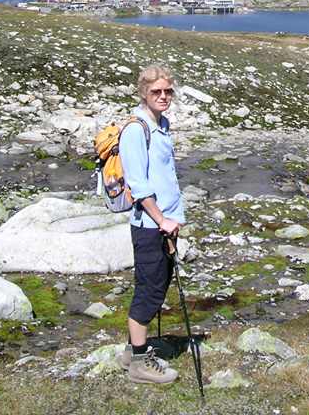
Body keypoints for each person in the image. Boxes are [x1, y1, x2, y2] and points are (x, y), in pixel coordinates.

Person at [114, 64, 184, 384]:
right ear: (143, 92)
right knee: (150, 290)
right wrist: (162, 220)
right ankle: (140, 364)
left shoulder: (161, 124)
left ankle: (132, 352)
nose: (163, 96)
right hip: (151, 224)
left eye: (168, 91)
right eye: (156, 91)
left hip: (165, 222)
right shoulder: (135, 129)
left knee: (155, 285)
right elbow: (138, 185)